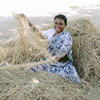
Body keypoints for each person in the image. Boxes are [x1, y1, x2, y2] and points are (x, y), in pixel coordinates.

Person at [31, 14, 80, 83]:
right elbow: (39, 33)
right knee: (31, 67)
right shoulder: (51, 32)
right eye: (56, 23)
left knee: (73, 79)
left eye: (61, 24)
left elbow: (64, 49)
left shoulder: (66, 37)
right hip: (50, 62)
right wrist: (28, 23)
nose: (57, 26)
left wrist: (57, 57)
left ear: (65, 26)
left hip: (62, 65)